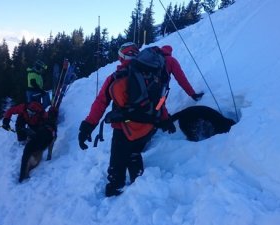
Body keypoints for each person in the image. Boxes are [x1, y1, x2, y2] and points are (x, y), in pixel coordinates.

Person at [78, 42, 203, 197]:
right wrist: (165, 119)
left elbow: (100, 103)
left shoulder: (116, 76)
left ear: (121, 57)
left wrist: (87, 126)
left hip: (123, 128)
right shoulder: (152, 74)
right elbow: (159, 99)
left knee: (117, 159)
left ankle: (115, 187)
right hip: (148, 127)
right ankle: (139, 183)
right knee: (134, 152)